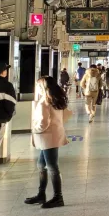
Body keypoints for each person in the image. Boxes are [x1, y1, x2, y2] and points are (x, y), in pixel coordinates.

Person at [25, 76, 69, 208]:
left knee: (52, 167)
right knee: (41, 165)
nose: (37, 88)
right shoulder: (55, 99)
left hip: (47, 137)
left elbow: (44, 122)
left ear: (43, 87)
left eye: (38, 86)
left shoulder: (45, 101)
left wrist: (35, 129)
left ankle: (58, 197)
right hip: (53, 135)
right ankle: (41, 194)